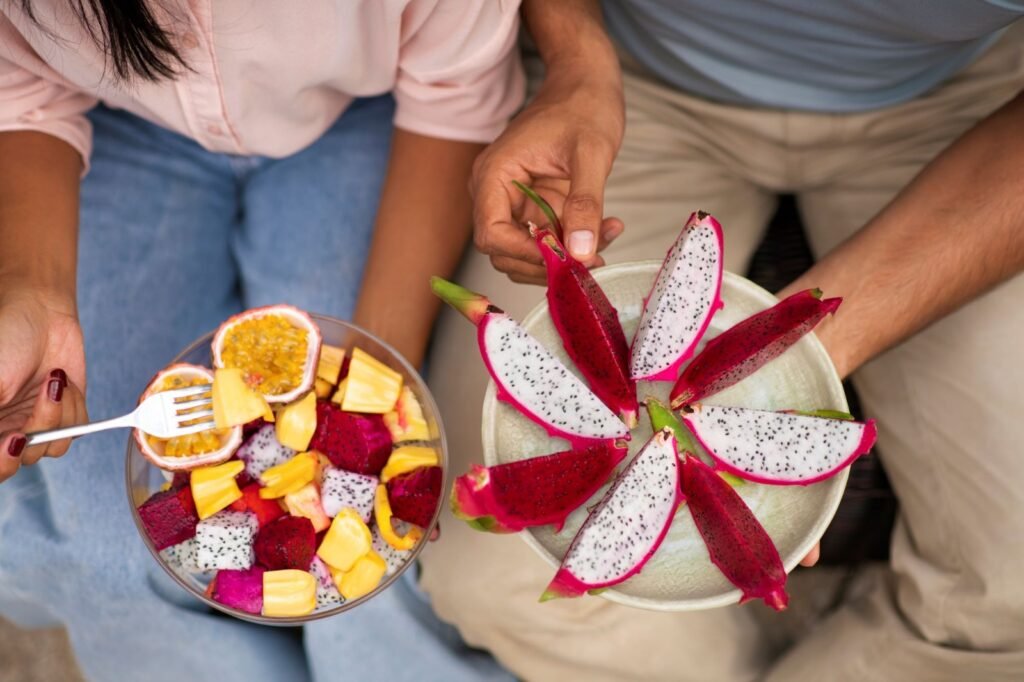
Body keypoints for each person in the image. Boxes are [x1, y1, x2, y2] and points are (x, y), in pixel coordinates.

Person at [422, 1, 1024, 680]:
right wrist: (576, 56)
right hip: (635, 78)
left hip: (964, 114)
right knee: (491, 579)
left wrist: (796, 348)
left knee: (1015, 597)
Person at [0, 2, 524, 680]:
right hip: (113, 133)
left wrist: (367, 407)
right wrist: (33, 289)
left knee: (368, 586)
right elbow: (20, 91)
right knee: (103, 545)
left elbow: (457, 99)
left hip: (368, 120)